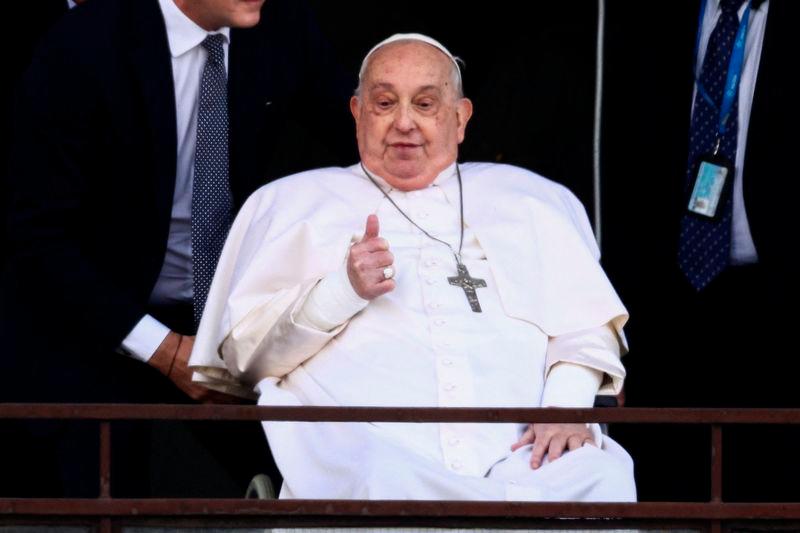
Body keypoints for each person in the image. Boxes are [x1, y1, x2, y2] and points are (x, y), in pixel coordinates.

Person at [190, 33, 636, 501]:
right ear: (357, 113)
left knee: (599, 477)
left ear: (460, 119)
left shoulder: (531, 200)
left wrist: (564, 410)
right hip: (376, 455)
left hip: (526, 457)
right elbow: (244, 357)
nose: (404, 122)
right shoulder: (289, 203)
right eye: (384, 103)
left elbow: (586, 326)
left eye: (425, 104)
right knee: (379, 484)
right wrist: (339, 290)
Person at [2, 0, 354, 496]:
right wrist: (165, 352)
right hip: (90, 317)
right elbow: (39, 238)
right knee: (98, 494)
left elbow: (368, 132)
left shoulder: (280, 25)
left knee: (319, 462)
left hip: (219, 310)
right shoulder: (84, 43)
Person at [600, 0, 799, 501]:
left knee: (773, 488)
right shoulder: (648, 20)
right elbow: (625, 162)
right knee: (672, 484)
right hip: (670, 294)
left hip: (781, 299)